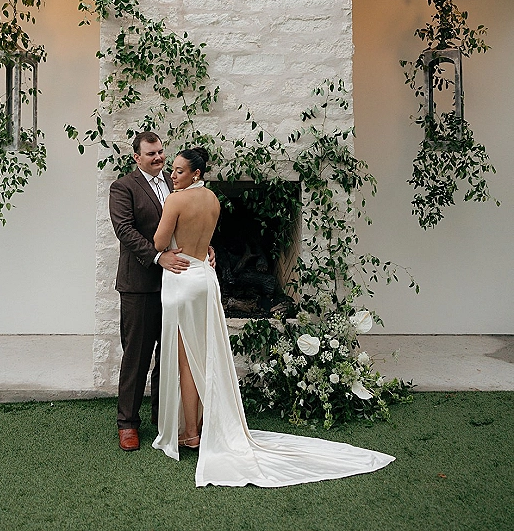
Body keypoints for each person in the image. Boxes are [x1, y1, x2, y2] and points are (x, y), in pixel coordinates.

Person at [152, 146, 396, 488]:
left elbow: (160, 240)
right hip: (205, 280)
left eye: (178, 171)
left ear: (195, 173)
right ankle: (199, 427)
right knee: (204, 357)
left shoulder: (175, 200)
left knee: (185, 360)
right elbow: (205, 240)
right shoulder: (212, 199)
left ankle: (191, 433)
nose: (172, 175)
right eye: (172, 170)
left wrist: (165, 234)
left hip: (182, 281)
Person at [109, 131, 191, 452]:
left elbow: (185, 225)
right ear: (136, 157)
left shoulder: (173, 185)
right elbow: (124, 230)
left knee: (166, 355)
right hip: (139, 285)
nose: (158, 158)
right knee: (137, 356)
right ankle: (127, 423)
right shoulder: (124, 187)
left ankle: (162, 418)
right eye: (151, 153)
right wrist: (159, 257)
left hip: (172, 284)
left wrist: (203, 248)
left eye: (161, 152)